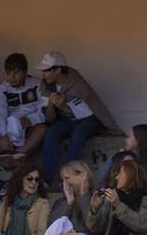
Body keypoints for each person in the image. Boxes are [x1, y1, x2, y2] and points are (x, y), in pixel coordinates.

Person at [37, 52, 120, 188]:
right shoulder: (46, 85)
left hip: (88, 120)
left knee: (79, 135)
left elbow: (86, 113)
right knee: (51, 133)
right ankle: (47, 180)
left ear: (57, 69)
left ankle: (66, 178)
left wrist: (64, 106)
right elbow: (49, 118)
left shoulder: (77, 84)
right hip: (66, 121)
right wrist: (52, 105)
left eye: (46, 70)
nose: (43, 74)